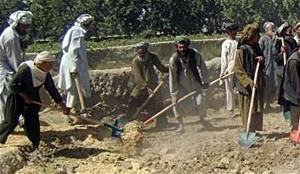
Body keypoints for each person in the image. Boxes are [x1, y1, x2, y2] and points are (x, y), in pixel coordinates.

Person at [0, 51, 70, 153]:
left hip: (32, 98)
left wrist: (63, 106)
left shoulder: (45, 74)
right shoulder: (26, 69)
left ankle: (35, 144)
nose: (52, 66)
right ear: (43, 63)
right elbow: (12, 85)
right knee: (11, 121)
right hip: (17, 96)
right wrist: (24, 97)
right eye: (50, 64)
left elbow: (52, 90)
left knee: (32, 121)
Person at [169, 35, 209, 134]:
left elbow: (203, 66)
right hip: (181, 86)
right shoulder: (173, 60)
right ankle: (181, 125)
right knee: (176, 104)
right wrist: (174, 94)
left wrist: (206, 81)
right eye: (180, 47)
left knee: (200, 101)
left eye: (184, 47)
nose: (182, 49)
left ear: (187, 46)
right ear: (177, 48)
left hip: (195, 83)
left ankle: (202, 120)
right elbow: (172, 78)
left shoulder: (194, 54)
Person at [0, 10, 33, 124]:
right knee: (7, 98)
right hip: (5, 70)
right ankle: (6, 125)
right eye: (23, 27)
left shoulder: (14, 35)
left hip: (8, 67)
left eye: (27, 27)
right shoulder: (11, 38)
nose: (25, 29)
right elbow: (14, 61)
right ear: (16, 24)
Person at [58, 14, 94, 115]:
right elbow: (73, 50)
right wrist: (74, 68)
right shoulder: (76, 31)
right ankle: (69, 112)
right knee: (73, 90)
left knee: (77, 90)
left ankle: (77, 112)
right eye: (89, 24)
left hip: (76, 64)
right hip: (72, 64)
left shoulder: (77, 31)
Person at [127, 42, 169, 126]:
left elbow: (161, 67)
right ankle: (129, 121)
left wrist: (169, 69)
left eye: (143, 52)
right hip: (138, 85)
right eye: (139, 53)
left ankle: (162, 122)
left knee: (159, 101)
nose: (141, 54)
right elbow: (138, 78)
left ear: (147, 51)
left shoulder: (152, 57)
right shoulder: (135, 61)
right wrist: (146, 88)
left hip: (152, 83)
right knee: (134, 100)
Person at [233, 23, 265, 133]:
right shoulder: (242, 50)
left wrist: (261, 59)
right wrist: (248, 81)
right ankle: (247, 130)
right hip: (245, 87)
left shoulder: (256, 47)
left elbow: (261, 62)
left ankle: (254, 131)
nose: (259, 36)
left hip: (257, 83)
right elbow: (238, 69)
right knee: (247, 109)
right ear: (251, 35)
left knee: (256, 108)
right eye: (257, 34)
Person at [275, 22, 298, 121]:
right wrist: (281, 53)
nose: (289, 30)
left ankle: (292, 111)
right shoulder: (279, 42)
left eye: (289, 28)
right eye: (287, 29)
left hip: (291, 69)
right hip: (281, 71)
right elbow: (276, 58)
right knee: (284, 93)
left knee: (292, 91)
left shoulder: (292, 41)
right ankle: (286, 112)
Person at [220, 23, 238, 118]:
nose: (235, 32)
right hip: (230, 67)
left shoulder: (237, 42)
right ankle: (231, 109)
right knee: (229, 89)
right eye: (233, 31)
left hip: (239, 66)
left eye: (236, 30)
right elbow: (224, 59)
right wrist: (223, 72)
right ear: (229, 32)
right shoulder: (225, 44)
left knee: (239, 87)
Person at [282, 45, 300, 140]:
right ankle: (295, 132)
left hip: (296, 87)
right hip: (292, 90)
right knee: (296, 110)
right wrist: (299, 93)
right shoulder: (294, 61)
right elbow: (295, 81)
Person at [259, 22, 277, 111]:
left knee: (273, 86)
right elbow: (259, 52)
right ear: (266, 29)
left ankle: (268, 103)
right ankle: (262, 104)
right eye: (272, 28)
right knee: (265, 86)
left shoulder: (275, 40)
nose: (274, 30)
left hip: (274, 67)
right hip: (266, 67)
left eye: (274, 28)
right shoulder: (263, 40)